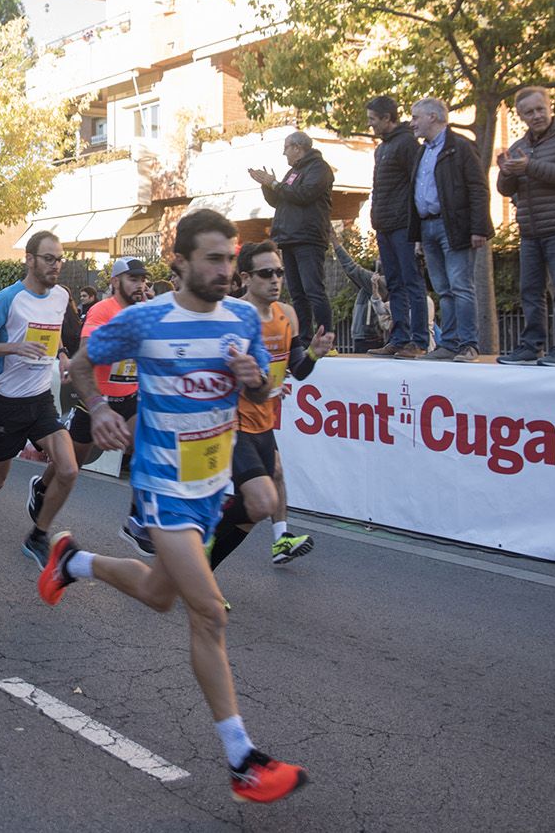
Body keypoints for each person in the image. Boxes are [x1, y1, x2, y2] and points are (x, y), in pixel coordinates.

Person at [40, 209, 307, 804]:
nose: (226, 270)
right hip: (163, 485)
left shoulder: (243, 317)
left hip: (212, 485)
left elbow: (262, 389)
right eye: (214, 259)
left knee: (159, 594)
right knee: (208, 613)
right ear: (180, 262)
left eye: (230, 259)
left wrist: (253, 379)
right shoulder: (148, 319)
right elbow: (81, 364)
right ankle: (242, 760)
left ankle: (74, 561)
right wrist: (100, 409)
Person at [0, 232, 79, 576]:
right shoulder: (9, 299)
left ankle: (37, 536)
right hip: (6, 405)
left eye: (60, 259)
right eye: (49, 258)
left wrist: (63, 354)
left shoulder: (61, 296)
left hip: (40, 400)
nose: (56, 265)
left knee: (69, 469)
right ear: (30, 260)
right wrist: (13, 347)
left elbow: (54, 331)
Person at [207, 241, 331, 579]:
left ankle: (204, 569)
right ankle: (200, 554)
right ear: (246, 277)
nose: (275, 280)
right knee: (260, 498)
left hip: (264, 419)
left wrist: (315, 354)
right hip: (232, 422)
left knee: (256, 505)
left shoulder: (286, 314)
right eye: (266, 273)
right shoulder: (232, 316)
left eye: (279, 272)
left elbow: (298, 369)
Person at [29, 256, 148, 555]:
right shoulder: (102, 310)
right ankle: (41, 490)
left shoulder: (146, 312)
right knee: (71, 465)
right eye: (133, 279)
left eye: (142, 280)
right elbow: (87, 351)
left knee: (146, 449)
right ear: (116, 281)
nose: (140, 285)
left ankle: (137, 519)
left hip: (130, 398)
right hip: (96, 400)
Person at [496, 86, 555, 367]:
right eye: (529, 112)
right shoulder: (519, 147)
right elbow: (505, 189)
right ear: (521, 116)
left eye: (540, 109)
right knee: (530, 291)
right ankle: (531, 347)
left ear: (550, 107)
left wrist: (529, 167)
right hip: (530, 230)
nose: (536, 116)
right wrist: (506, 172)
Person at [408, 98, 491, 362]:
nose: (412, 123)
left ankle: (468, 344)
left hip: (453, 226)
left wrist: (478, 228)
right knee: (443, 289)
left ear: (432, 117)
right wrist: (418, 236)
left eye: (415, 117)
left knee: (460, 286)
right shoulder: (422, 151)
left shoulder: (461, 147)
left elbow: (478, 188)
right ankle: (450, 344)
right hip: (428, 226)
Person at [250, 131, 334, 342]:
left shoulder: (319, 168)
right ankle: (304, 339)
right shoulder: (293, 172)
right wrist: (267, 185)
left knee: (313, 290)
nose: (284, 153)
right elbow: (280, 200)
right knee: (297, 293)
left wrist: (275, 184)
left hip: (308, 237)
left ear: (297, 148)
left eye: (286, 148)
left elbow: (304, 195)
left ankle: (326, 338)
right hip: (288, 238)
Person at [364, 95, 427, 357]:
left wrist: (418, 228)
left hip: (403, 225)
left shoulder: (407, 144)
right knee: (395, 284)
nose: (370, 124)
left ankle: (419, 341)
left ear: (387, 118)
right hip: (384, 225)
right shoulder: (382, 149)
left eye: (372, 119)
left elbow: (417, 183)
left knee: (412, 282)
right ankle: (399, 338)